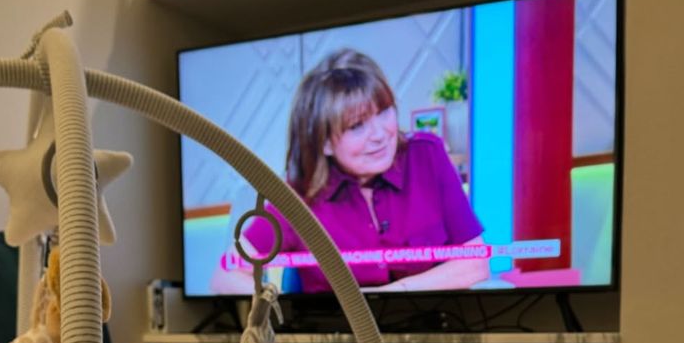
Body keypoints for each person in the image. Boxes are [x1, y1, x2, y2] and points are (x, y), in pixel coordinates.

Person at [209, 48, 490, 296]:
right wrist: (287, 312)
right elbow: (226, 277)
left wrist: (392, 296)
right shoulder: (300, 196)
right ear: (325, 142)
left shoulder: (427, 155)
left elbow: (474, 263)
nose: (380, 134)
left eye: (384, 111)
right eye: (357, 126)